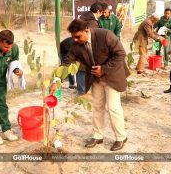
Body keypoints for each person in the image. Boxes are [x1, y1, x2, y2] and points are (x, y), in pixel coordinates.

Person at [50, 19, 130, 151]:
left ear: (87, 30)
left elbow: (120, 53)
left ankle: (121, 137)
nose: (75, 40)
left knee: (113, 107)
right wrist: (56, 80)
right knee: (97, 107)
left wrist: (103, 68)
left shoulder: (105, 35)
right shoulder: (76, 44)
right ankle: (98, 135)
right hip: (96, 79)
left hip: (112, 76)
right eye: (73, 37)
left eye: (78, 36)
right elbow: (66, 62)